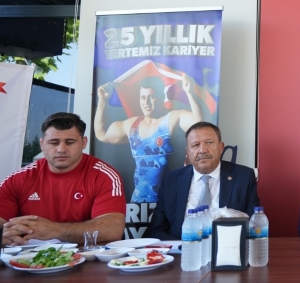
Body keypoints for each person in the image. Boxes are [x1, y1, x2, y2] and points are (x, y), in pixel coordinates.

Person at [0, 113, 125, 245]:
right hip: (29, 256)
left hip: (86, 256)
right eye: (53, 143)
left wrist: (54, 230)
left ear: (84, 143)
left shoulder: (104, 175)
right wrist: (4, 235)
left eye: (70, 142)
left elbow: (113, 229)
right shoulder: (17, 180)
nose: (61, 149)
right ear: (42, 144)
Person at [94, 74, 203, 202]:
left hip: (170, 202)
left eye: (151, 97)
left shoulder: (172, 119)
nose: (146, 102)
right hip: (139, 204)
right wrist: (102, 101)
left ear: (161, 97)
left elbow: (200, 126)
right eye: (143, 97)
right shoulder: (132, 125)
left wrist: (189, 92)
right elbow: (102, 133)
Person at [145, 121, 259, 240]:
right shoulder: (171, 180)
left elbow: (254, 226)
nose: (202, 150)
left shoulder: (243, 177)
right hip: (183, 248)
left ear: (221, 147)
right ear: (188, 152)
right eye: (195, 145)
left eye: (209, 142)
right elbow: (156, 230)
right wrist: (183, 247)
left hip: (227, 248)